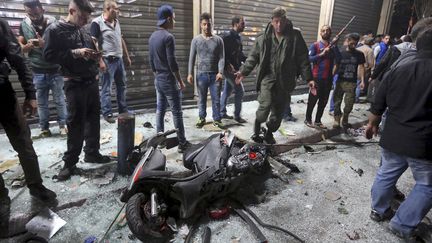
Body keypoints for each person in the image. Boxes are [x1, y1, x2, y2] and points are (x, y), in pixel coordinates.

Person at [366, 26, 432, 241]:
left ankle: (379, 210)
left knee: (387, 172)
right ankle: (402, 224)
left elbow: (380, 97)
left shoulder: (401, 65)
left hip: (392, 134)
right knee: (426, 184)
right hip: (422, 141)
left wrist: (372, 123)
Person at [0, 18, 57, 238]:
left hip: (3, 95)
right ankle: (1, 199)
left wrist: (30, 95)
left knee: (24, 143)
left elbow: (18, 59)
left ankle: (36, 186)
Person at [43, 0, 111, 181]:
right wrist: (76, 52)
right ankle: (70, 163)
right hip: (74, 83)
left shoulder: (85, 28)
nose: (85, 21)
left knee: (93, 119)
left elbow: (90, 50)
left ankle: (92, 153)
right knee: (76, 123)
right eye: (82, 17)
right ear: (72, 11)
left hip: (91, 82)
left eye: (87, 18)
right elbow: (48, 55)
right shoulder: (55, 30)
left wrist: (96, 57)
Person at [236, 7, 314, 144]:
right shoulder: (263, 38)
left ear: (286, 21)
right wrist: (243, 71)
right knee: (265, 105)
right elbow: (253, 57)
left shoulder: (295, 36)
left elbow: (303, 59)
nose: (279, 25)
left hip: (285, 80)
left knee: (278, 114)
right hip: (267, 78)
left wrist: (309, 79)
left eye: (282, 21)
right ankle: (257, 127)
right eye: (276, 21)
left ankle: (269, 132)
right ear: (271, 21)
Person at [18, 0, 67, 137]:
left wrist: (45, 44)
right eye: (29, 12)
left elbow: (62, 45)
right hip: (37, 70)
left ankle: (63, 125)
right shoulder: (24, 24)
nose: (33, 15)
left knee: (59, 100)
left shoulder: (54, 23)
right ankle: (44, 128)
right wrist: (24, 48)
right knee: (42, 102)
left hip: (55, 70)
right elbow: (20, 42)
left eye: (35, 11)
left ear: (41, 9)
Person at [149, 4, 191, 153]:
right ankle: (182, 143)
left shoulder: (153, 36)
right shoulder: (168, 37)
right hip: (168, 79)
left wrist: (157, 75)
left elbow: (151, 60)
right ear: (168, 19)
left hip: (158, 79)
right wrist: (179, 81)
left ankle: (160, 141)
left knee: (160, 109)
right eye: (174, 18)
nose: (175, 21)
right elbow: (172, 62)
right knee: (176, 112)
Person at [90, 0, 132, 123]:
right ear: (107, 9)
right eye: (116, 9)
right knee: (106, 88)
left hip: (118, 59)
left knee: (121, 86)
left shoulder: (117, 22)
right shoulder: (97, 23)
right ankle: (107, 113)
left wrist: (127, 56)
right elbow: (94, 43)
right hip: (107, 60)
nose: (118, 11)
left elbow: (121, 39)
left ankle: (123, 110)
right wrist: (100, 61)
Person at [188, 13, 225, 129]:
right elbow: (192, 57)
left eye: (208, 24)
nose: (206, 27)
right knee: (201, 98)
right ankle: (201, 117)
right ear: (201, 25)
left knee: (216, 99)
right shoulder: (196, 40)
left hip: (215, 75)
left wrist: (220, 72)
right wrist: (189, 73)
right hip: (201, 74)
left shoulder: (219, 40)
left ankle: (217, 119)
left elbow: (222, 57)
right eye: (204, 24)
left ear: (211, 24)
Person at [304, 25, 340, 129]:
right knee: (312, 100)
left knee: (323, 101)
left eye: (327, 31)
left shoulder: (333, 47)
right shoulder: (315, 45)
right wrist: (321, 54)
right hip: (316, 78)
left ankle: (318, 121)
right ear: (320, 33)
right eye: (323, 31)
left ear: (330, 33)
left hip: (328, 79)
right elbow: (309, 59)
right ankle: (308, 119)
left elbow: (339, 59)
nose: (325, 32)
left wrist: (336, 46)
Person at [332, 33, 365, 128]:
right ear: (347, 41)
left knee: (349, 103)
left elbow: (361, 67)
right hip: (340, 81)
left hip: (352, 82)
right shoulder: (341, 53)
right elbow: (336, 65)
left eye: (356, 43)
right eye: (352, 43)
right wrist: (331, 77)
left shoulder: (359, 54)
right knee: (337, 101)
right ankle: (337, 120)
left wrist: (362, 81)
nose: (354, 45)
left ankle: (345, 118)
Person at [219, 16, 247, 123]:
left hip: (235, 68)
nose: (244, 26)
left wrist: (248, 60)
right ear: (235, 24)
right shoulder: (227, 36)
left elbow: (239, 54)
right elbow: (221, 53)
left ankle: (222, 112)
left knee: (227, 90)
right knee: (240, 91)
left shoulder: (238, 37)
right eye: (242, 23)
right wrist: (227, 64)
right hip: (228, 69)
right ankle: (237, 116)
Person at [355, 35, 375, 103]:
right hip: (364, 69)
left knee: (355, 83)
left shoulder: (358, 48)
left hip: (355, 67)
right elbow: (371, 63)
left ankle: (352, 97)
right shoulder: (370, 50)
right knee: (359, 84)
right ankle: (356, 98)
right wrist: (369, 68)